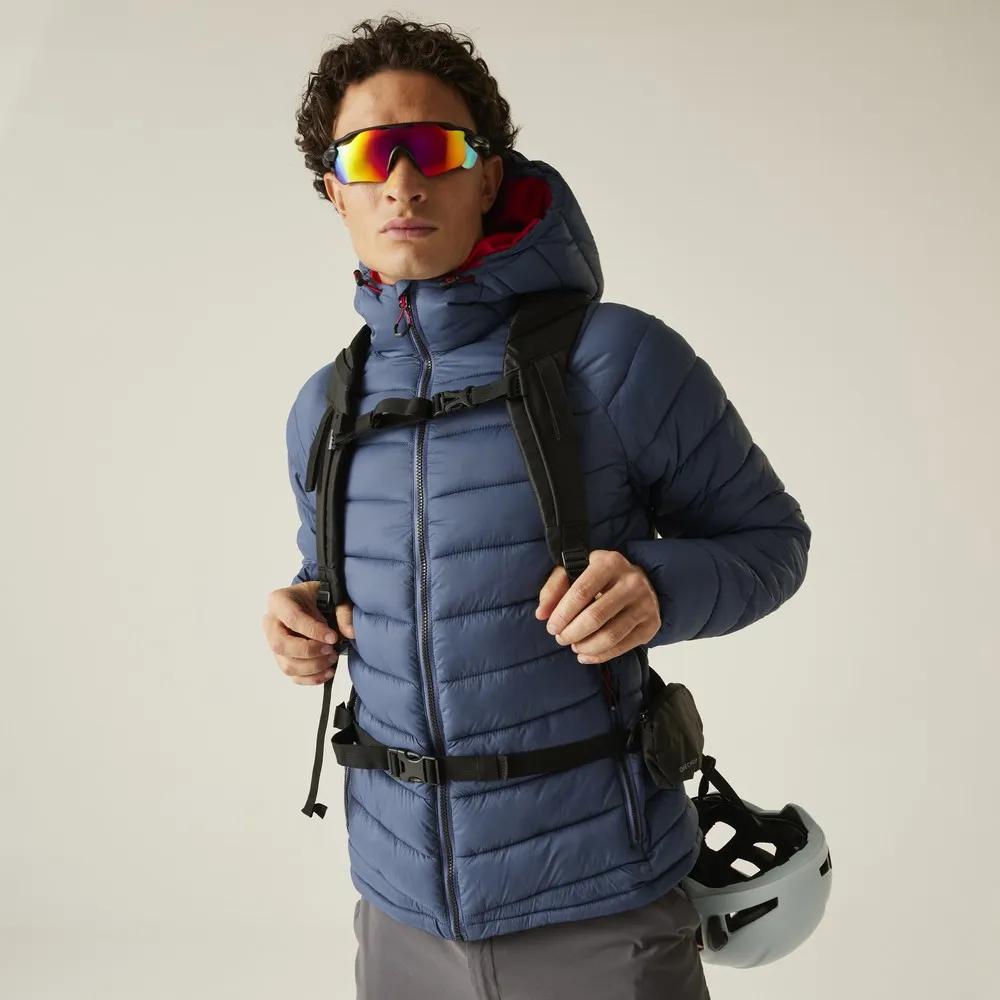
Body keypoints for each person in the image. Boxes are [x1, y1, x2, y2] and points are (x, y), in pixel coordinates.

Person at [261, 16, 811, 1000]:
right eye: (369, 155)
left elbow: (772, 543)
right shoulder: (326, 406)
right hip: (396, 912)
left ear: (486, 175)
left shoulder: (617, 358)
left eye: (434, 148)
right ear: (334, 190)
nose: (402, 181)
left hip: (600, 905)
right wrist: (303, 616)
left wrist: (658, 586)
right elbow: (335, 581)